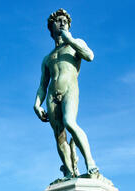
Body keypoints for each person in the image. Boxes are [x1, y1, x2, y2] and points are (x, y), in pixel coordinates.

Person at [34, 8, 98, 180]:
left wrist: (70, 40)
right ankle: (69, 172)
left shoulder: (75, 43)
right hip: (52, 96)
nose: (62, 22)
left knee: (70, 122)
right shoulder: (47, 58)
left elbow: (90, 56)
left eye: (65, 21)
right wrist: (37, 104)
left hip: (70, 89)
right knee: (59, 134)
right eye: (58, 20)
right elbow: (43, 85)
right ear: (51, 27)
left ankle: (91, 163)